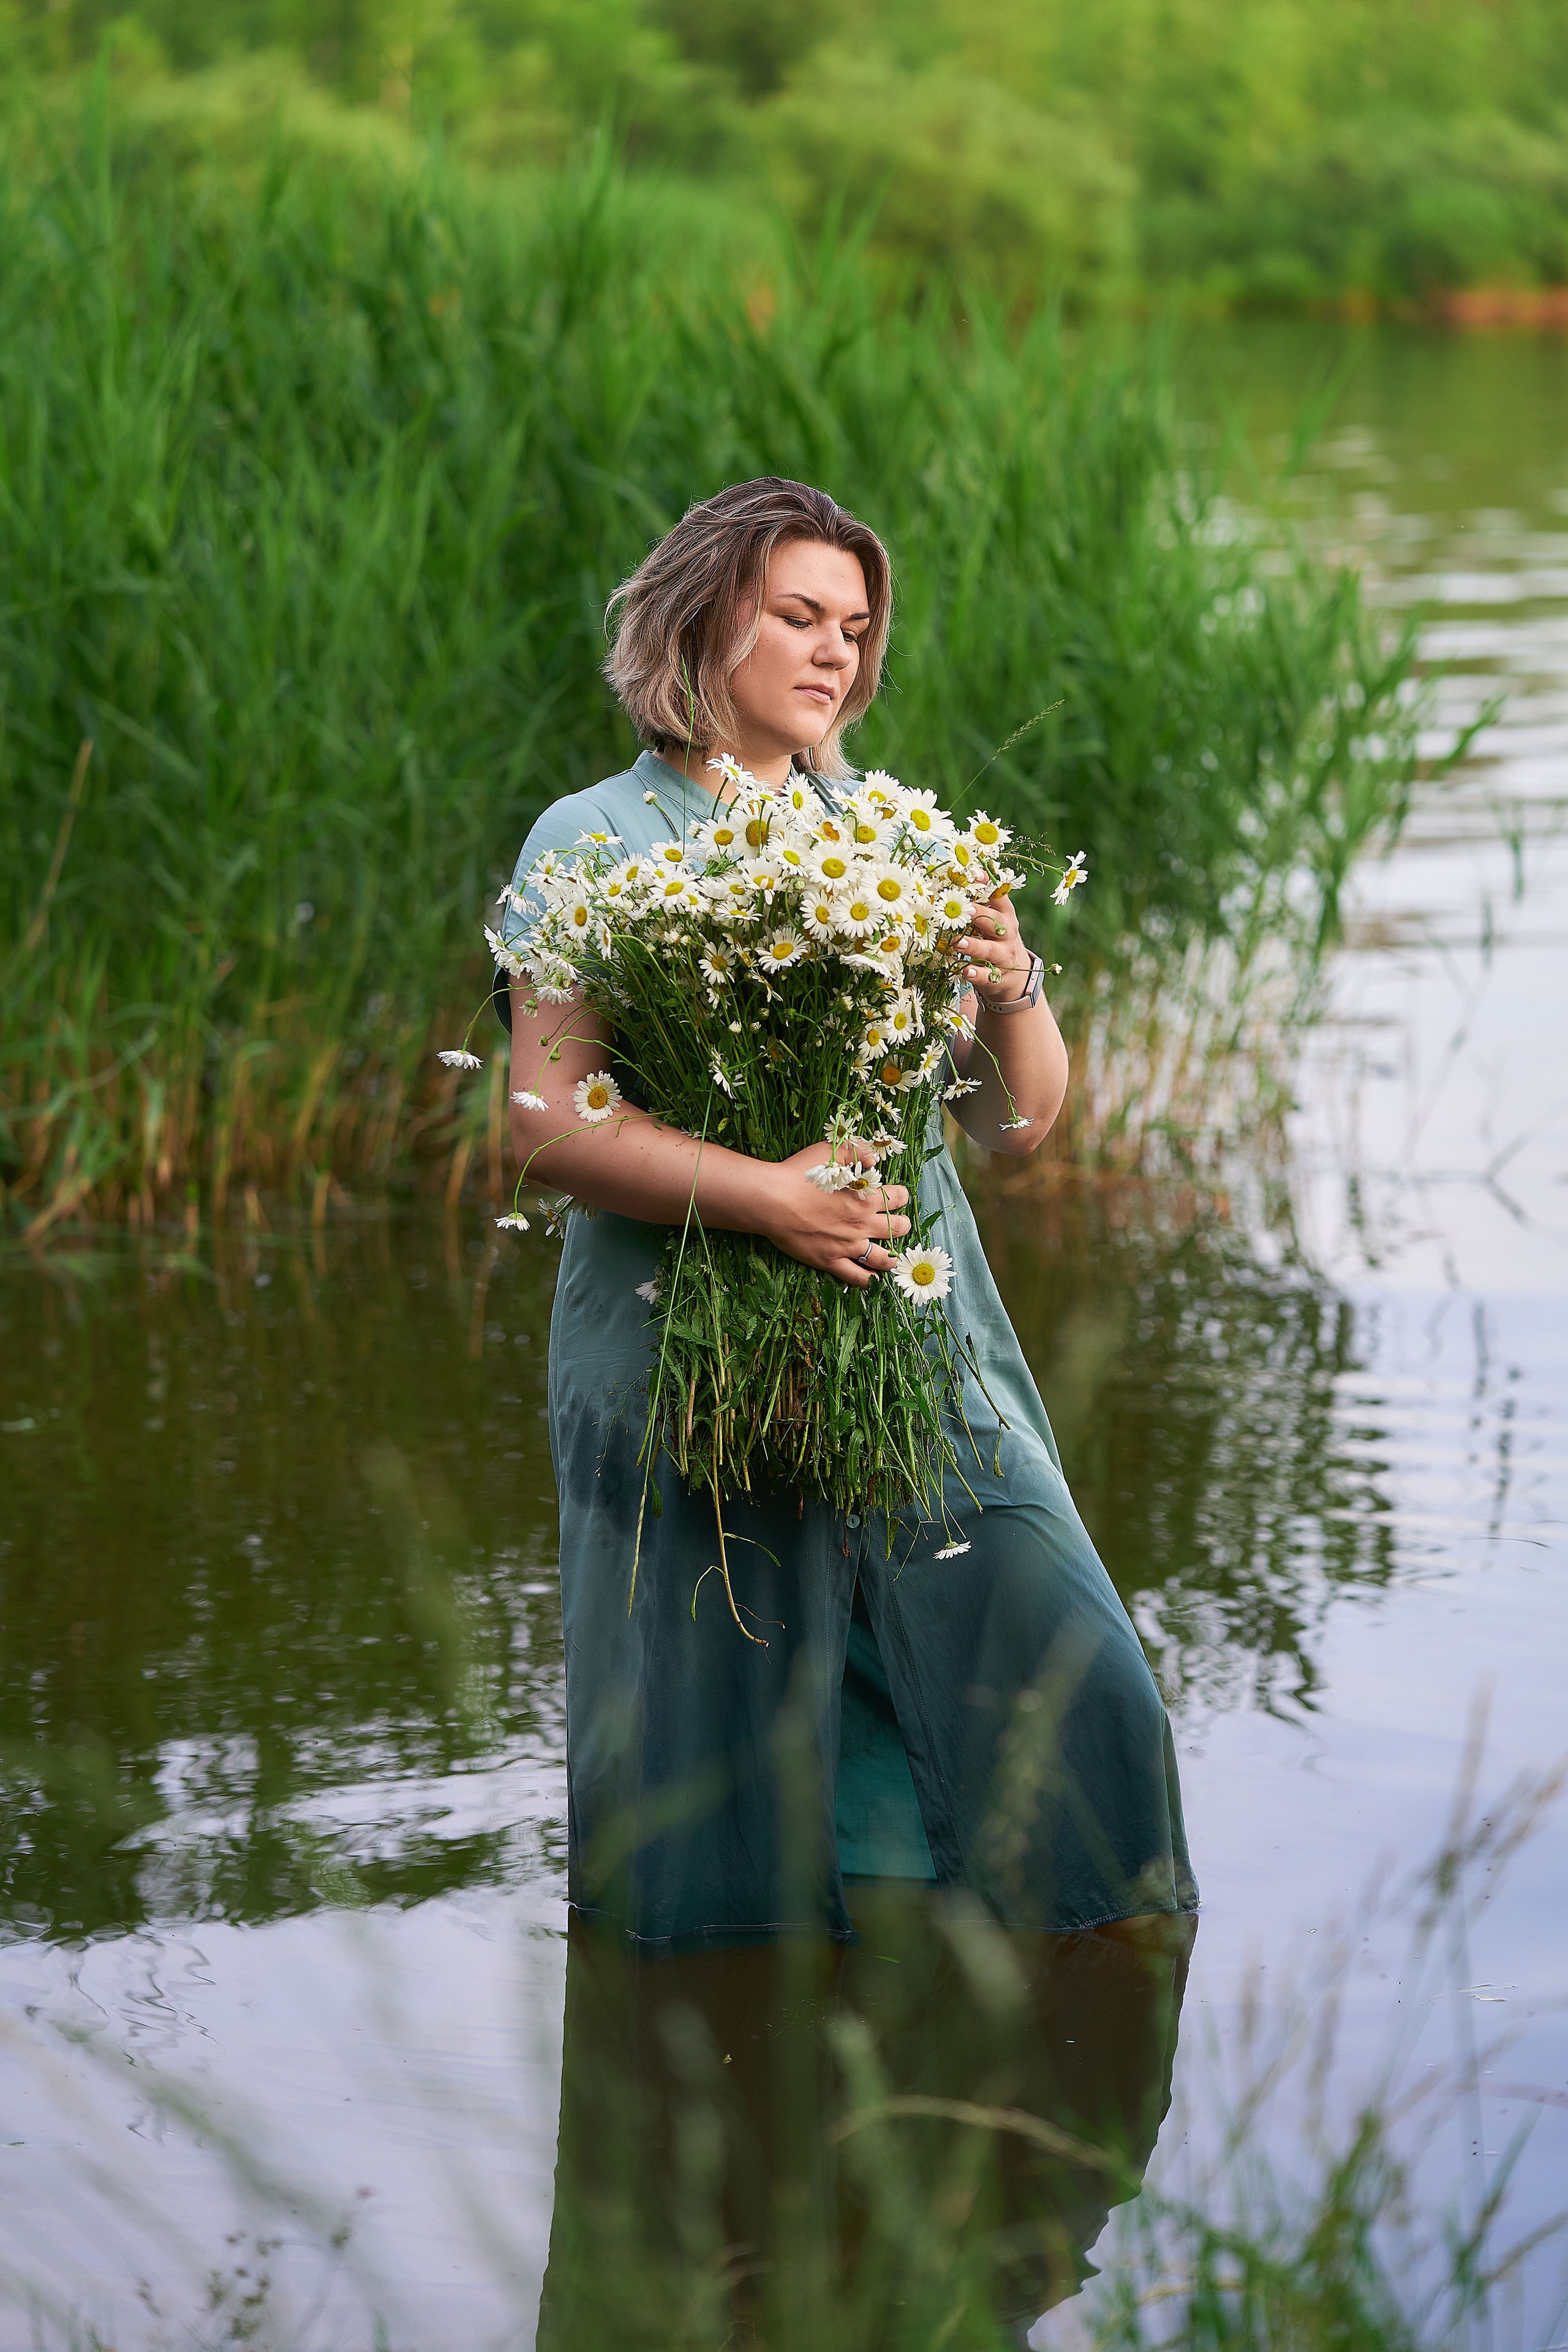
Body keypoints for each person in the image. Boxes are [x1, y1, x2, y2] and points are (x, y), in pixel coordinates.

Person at [497, 477, 1197, 1950]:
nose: (835, 652)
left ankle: (1051, 2012)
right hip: (683, 1338)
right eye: (799, 614)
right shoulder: (591, 834)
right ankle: (733, 2091)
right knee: (724, 1730)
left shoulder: (879, 831)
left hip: (914, 1330)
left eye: (855, 626)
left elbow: (1017, 1120)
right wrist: (766, 1201)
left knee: (1073, 1672)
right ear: (703, 619)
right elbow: (545, 1120)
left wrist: (1013, 984)